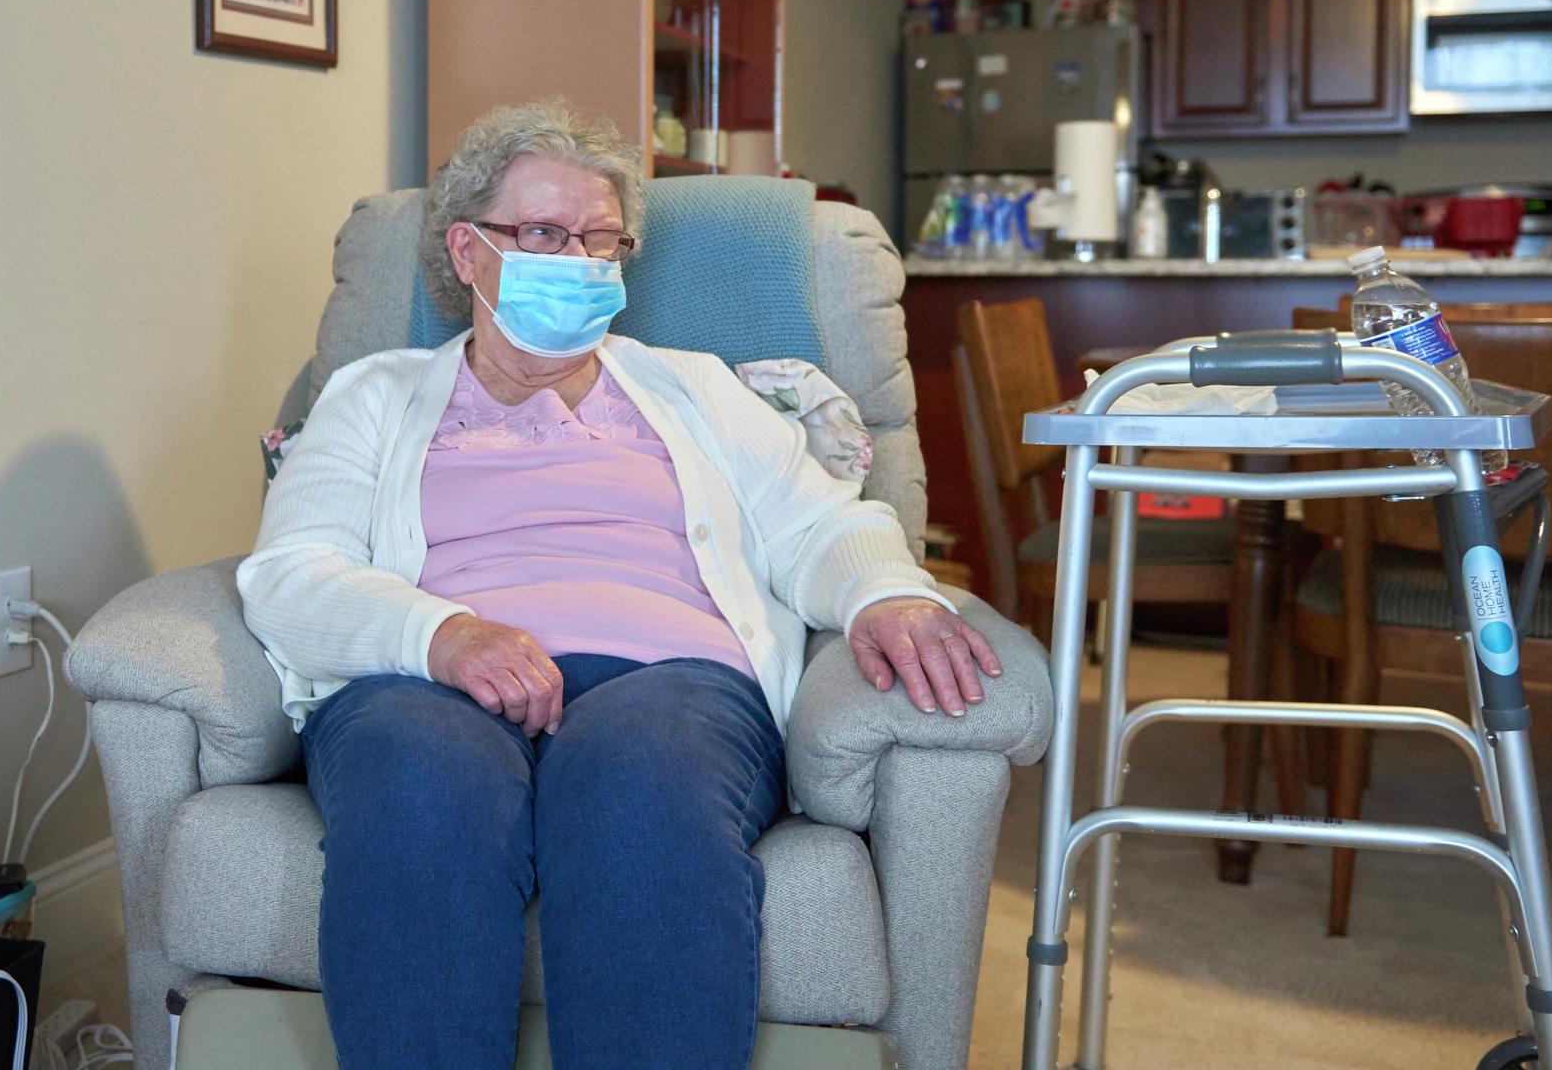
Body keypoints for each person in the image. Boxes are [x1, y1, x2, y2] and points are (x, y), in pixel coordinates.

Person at [237, 97, 1002, 1070]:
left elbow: (822, 522)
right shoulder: (374, 396)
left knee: (636, 789)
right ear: (468, 251)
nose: (582, 262)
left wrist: (887, 592)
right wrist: (442, 635)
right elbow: (290, 574)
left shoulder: (695, 387)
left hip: (669, 678)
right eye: (546, 233)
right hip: (431, 681)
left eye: (602, 241)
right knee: (418, 786)